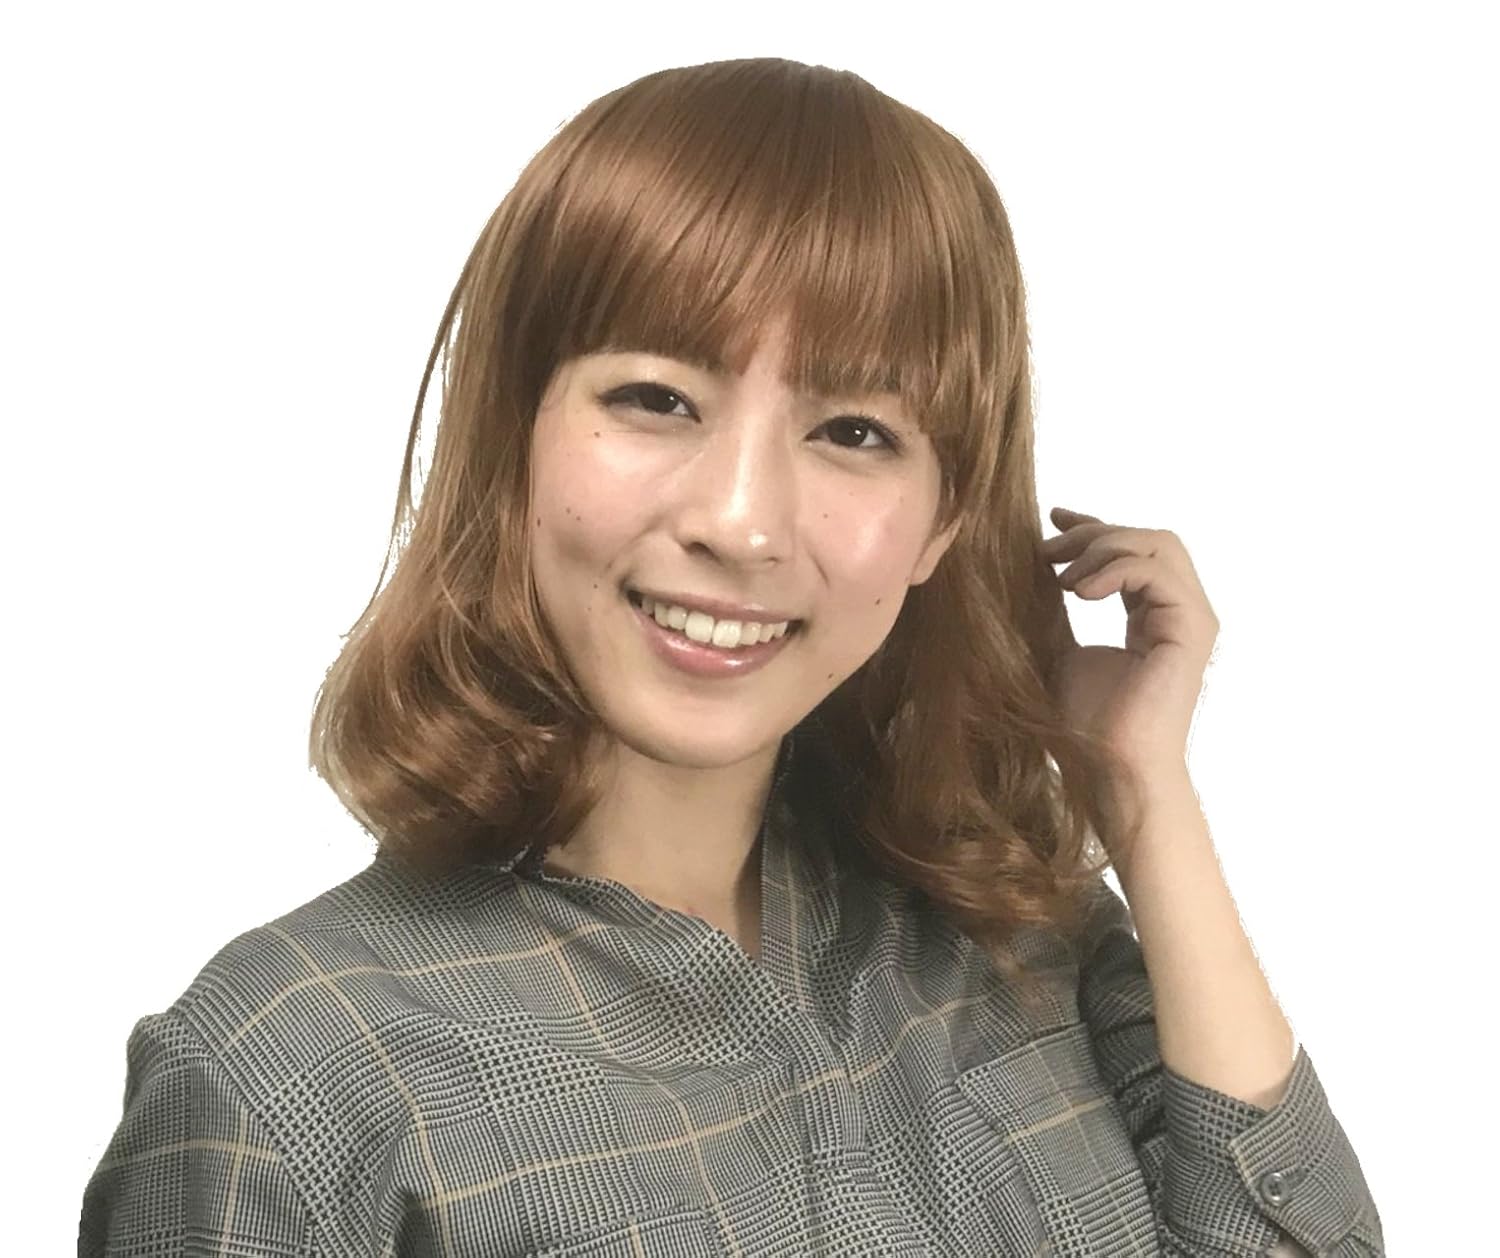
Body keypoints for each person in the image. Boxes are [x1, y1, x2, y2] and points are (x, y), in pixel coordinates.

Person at [79, 57, 1383, 1256]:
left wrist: (1140, 786)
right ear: (514, 427)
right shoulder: (289, 1074)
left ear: (944, 518)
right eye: (656, 399)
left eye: (855, 432)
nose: (743, 521)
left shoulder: (1016, 931)